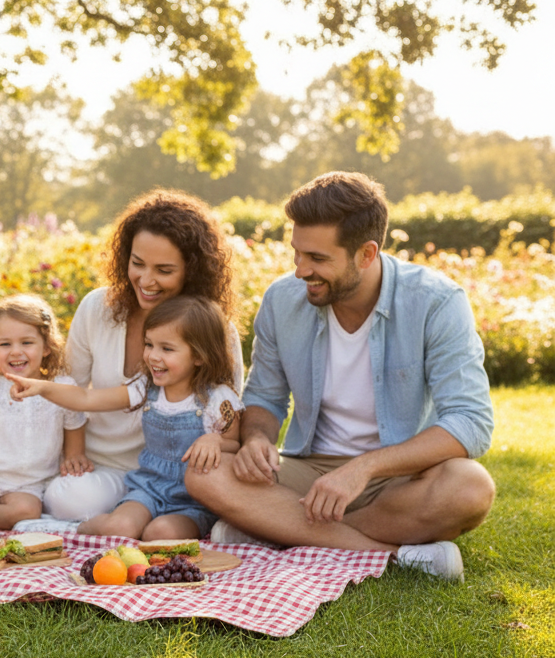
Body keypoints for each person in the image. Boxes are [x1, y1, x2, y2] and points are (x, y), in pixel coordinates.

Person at [186, 172, 496, 581]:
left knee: (470, 488)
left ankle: (276, 530)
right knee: (202, 472)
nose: (300, 270)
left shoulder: (436, 302)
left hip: (396, 478)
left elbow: (470, 422)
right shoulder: (282, 301)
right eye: (297, 253)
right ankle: (395, 556)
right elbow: (264, 397)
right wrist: (258, 439)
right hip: (309, 470)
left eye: (317, 259)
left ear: (366, 254)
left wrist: (363, 469)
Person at [42, 190, 244, 522]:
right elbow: (72, 389)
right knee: (65, 499)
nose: (146, 281)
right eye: (137, 264)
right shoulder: (97, 308)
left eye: (164, 270)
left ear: (191, 271)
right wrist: (74, 454)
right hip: (103, 467)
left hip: (182, 475)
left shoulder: (215, 330)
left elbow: (227, 418)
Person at [12, 296, 242, 541]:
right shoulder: (146, 387)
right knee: (120, 527)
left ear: (198, 356)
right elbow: (87, 399)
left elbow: (234, 444)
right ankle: (74, 528)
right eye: (149, 344)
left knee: (160, 533)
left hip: (194, 500)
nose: (153, 356)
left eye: (166, 348)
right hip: (149, 489)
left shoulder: (218, 400)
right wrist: (41, 387)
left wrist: (215, 441)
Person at [0, 294, 89, 529]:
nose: (15, 352)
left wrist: (74, 454)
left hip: (27, 487)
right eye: (5, 344)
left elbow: (75, 422)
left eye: (27, 342)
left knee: (27, 511)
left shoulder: (61, 387)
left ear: (47, 347)